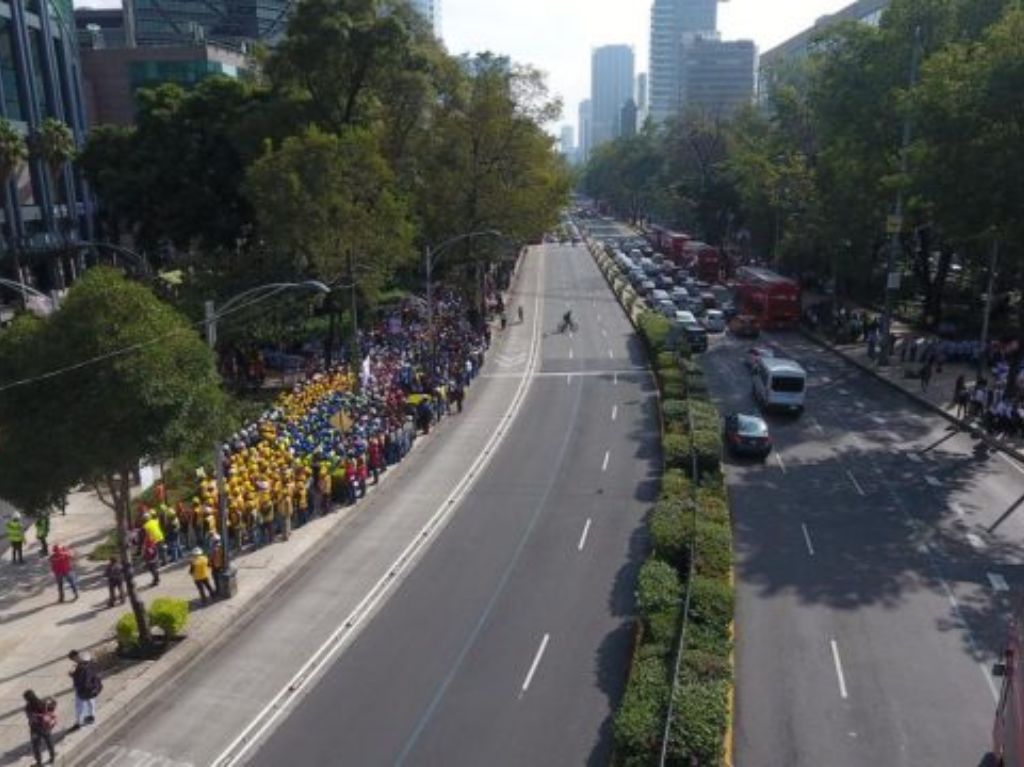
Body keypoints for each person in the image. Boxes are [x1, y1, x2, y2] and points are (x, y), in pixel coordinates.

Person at [68, 650, 101, 729]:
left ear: (75, 657)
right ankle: (92, 716)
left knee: (79, 706)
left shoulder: (81, 667)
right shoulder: (89, 661)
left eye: (73, 659)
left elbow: (80, 679)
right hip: (93, 687)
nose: (74, 661)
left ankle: (78, 723)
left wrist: (72, 674)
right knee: (91, 702)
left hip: (83, 689)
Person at [23, 689, 57, 765]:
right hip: (46, 727)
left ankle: (39, 763)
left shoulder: (28, 707)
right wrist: (52, 699)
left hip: (35, 730)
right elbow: (53, 707)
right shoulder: (43, 703)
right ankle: (52, 758)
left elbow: (29, 717)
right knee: (49, 742)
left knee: (36, 746)